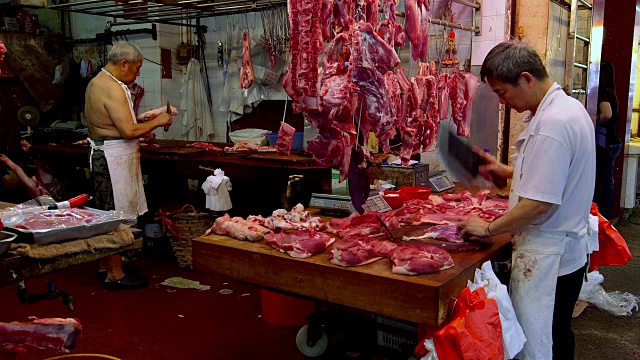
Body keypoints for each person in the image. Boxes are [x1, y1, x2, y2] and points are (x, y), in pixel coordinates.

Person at [457, 41, 595, 360]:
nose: (505, 103)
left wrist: (488, 228)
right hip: (563, 253)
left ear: (527, 79)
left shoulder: (553, 125)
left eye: (504, 93)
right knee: (558, 334)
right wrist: (507, 171)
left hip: (548, 258)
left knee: (542, 342)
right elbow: (554, 170)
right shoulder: (565, 109)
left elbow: (538, 205)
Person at [85, 42, 173, 290]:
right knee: (115, 215)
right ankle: (115, 274)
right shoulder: (113, 88)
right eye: (136, 68)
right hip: (112, 159)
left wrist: (142, 119)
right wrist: (159, 120)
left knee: (106, 211)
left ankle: (104, 265)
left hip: (105, 153)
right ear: (124, 63)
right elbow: (128, 130)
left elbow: (114, 124)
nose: (137, 73)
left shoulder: (96, 82)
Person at [593, 60, 622, 220]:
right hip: (613, 142)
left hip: (606, 142)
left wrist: (591, 119)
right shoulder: (612, 92)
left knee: (605, 179)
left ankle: (604, 214)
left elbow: (607, 114)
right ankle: (605, 213)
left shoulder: (603, 92)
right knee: (607, 178)